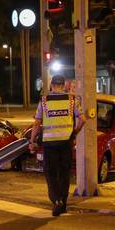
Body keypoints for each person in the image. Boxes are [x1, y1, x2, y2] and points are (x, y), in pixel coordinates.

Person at [29, 75, 86, 217]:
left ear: (52, 85)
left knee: (51, 173)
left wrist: (32, 141)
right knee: (64, 173)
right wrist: (75, 132)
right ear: (64, 85)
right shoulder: (72, 100)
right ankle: (63, 204)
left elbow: (37, 123)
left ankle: (56, 201)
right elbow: (83, 119)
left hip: (49, 144)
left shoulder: (44, 101)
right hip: (66, 143)